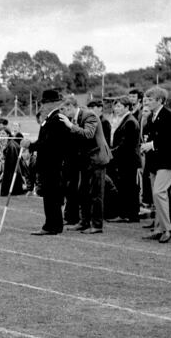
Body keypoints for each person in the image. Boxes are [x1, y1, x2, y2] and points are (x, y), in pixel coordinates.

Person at [59, 97, 112, 234]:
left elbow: (88, 134)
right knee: (82, 191)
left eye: (63, 109)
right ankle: (84, 221)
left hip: (97, 159)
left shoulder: (89, 115)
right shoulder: (74, 119)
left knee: (96, 193)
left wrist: (70, 126)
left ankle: (97, 225)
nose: (63, 113)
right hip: (85, 161)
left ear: (70, 106)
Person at [139, 86, 171, 244]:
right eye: (147, 99)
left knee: (159, 192)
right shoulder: (151, 117)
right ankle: (158, 228)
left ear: (160, 101)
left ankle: (167, 229)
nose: (147, 102)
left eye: (150, 100)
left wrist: (152, 145)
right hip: (154, 162)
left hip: (167, 161)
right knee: (157, 196)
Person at [28, 90, 70, 235]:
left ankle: (51, 225)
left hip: (53, 164)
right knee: (50, 195)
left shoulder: (56, 119)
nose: (42, 106)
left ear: (52, 103)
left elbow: (48, 143)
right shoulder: (50, 118)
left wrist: (30, 146)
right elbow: (44, 141)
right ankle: (53, 224)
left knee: (52, 196)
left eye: (44, 103)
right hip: (49, 163)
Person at [107, 96, 141, 223]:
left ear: (127, 107)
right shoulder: (124, 120)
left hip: (128, 160)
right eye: (115, 106)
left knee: (129, 187)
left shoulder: (130, 121)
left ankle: (129, 214)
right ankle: (127, 213)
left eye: (120, 106)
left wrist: (111, 153)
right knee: (125, 186)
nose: (116, 109)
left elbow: (126, 144)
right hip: (124, 159)